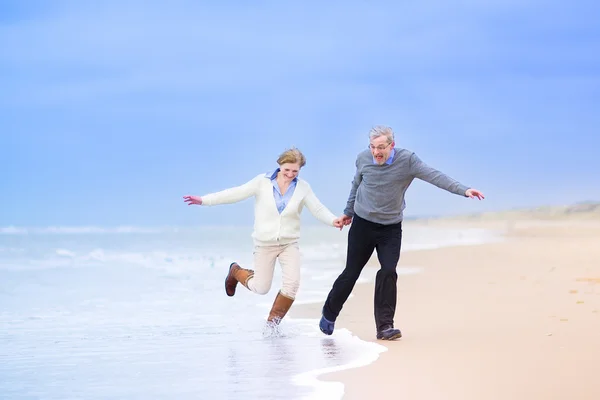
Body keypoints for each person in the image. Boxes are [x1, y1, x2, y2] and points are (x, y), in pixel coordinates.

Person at [319, 126, 485, 340]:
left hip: (390, 227)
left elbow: (434, 176)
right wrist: (348, 212)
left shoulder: (407, 161)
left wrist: (464, 190)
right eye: (372, 147)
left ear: (392, 145)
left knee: (388, 271)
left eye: (381, 147)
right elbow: (356, 185)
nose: (376, 152)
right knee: (352, 272)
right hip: (363, 224)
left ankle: (385, 327)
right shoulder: (363, 158)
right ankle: (329, 313)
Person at [183, 147, 344, 327]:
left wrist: (333, 220)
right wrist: (204, 200)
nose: (290, 174)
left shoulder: (303, 188)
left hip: (289, 244)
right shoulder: (262, 182)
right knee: (261, 288)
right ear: (279, 165)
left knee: (292, 285)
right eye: (286, 170)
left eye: (295, 171)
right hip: (264, 244)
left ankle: (271, 327)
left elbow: (318, 208)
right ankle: (236, 271)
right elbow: (235, 193)